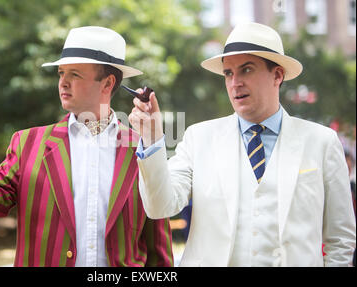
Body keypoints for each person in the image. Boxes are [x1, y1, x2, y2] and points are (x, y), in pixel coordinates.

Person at [0, 26, 173, 267]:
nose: (63, 83)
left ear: (108, 83)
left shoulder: (144, 151)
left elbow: (159, 252)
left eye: (75, 74)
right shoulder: (28, 144)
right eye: (61, 73)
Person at [129, 22, 356, 266]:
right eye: (228, 73)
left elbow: (340, 238)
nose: (235, 82)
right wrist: (152, 139)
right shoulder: (199, 138)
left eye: (246, 70)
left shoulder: (321, 142)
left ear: (277, 75)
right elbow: (159, 206)